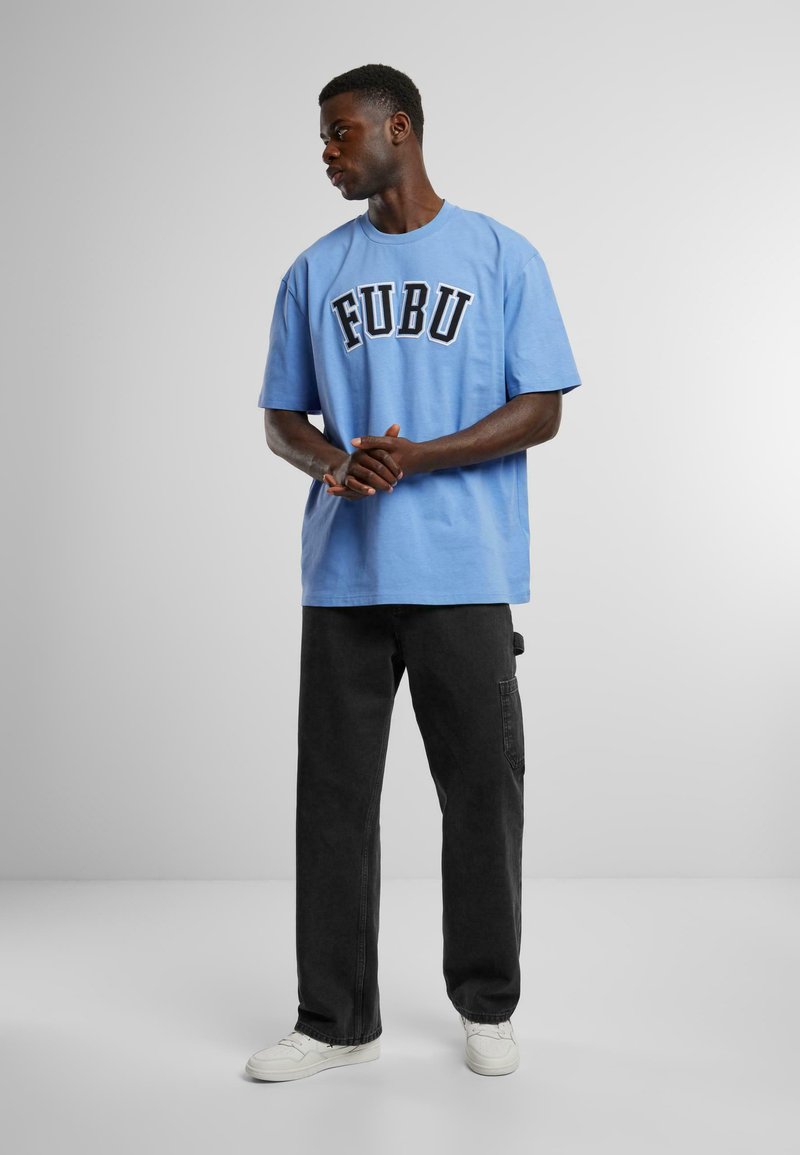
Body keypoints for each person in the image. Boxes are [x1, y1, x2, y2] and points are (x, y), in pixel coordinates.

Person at [245, 63, 581, 1083]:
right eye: (322, 137)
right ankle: (335, 1019)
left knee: (480, 795)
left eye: (340, 132)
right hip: (344, 576)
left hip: (464, 570)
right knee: (333, 804)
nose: (326, 152)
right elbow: (281, 418)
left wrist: (420, 456)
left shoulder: (499, 254)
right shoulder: (313, 271)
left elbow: (542, 407)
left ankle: (486, 1004)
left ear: (399, 128)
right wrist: (332, 463)